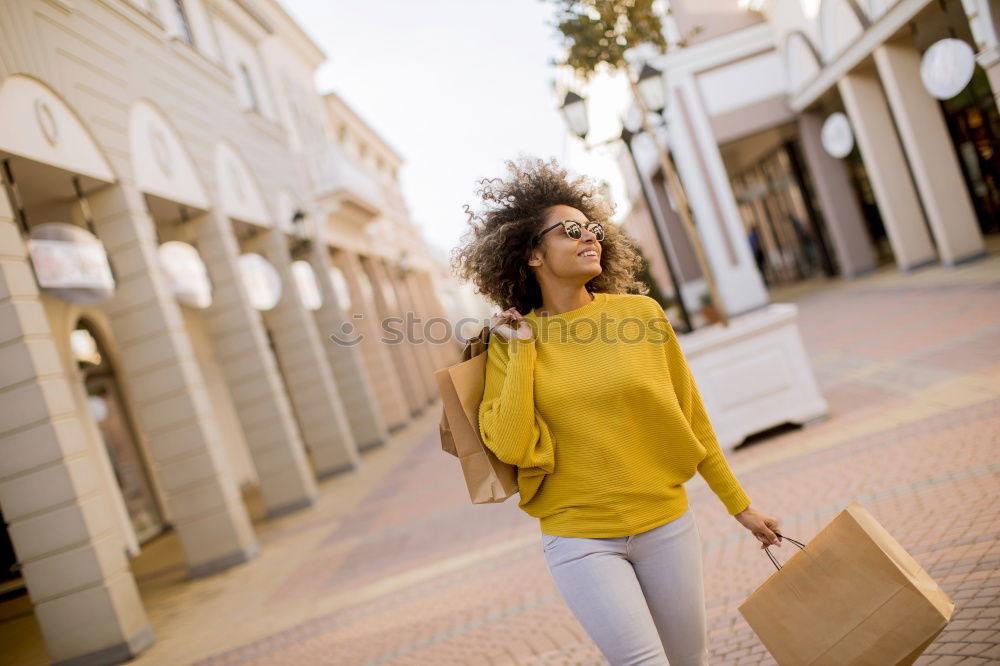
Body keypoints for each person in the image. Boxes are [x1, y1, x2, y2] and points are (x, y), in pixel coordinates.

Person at [452, 157, 782, 666]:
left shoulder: (641, 316)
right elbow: (513, 445)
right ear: (533, 254)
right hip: (578, 537)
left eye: (594, 230)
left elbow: (692, 420)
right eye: (571, 231)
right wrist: (519, 351)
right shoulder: (508, 343)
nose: (591, 238)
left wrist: (741, 506)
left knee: (689, 659)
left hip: (666, 525)